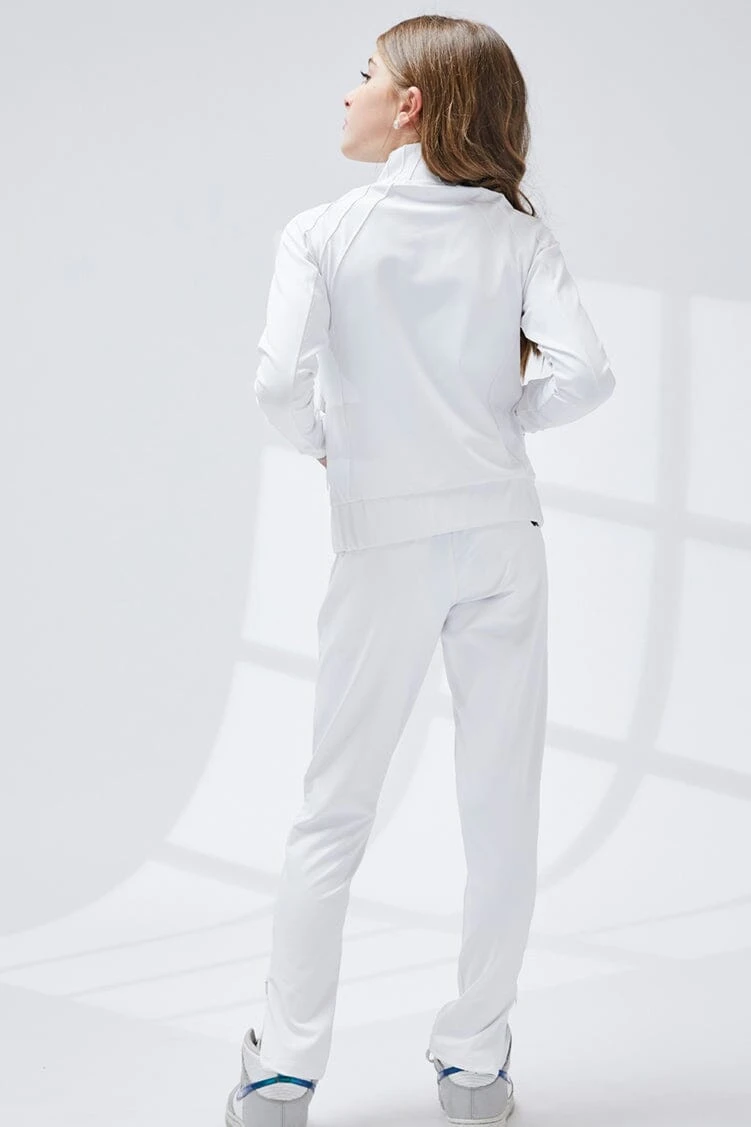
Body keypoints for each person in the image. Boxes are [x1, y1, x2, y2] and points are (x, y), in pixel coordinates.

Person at [225, 14, 616, 1127]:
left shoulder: (325, 231)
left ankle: (281, 1074)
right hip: (501, 529)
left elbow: (275, 383)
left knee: (333, 808)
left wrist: (334, 445)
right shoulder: (514, 234)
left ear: (409, 106)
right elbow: (587, 374)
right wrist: (499, 422)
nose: (345, 93)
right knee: (501, 806)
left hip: (384, 537)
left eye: (363, 75)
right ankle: (475, 1066)